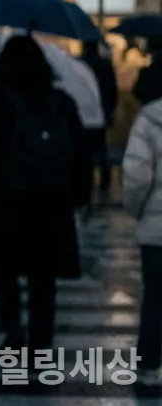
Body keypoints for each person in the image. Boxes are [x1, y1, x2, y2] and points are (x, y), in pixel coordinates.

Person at [0, 36, 90, 354]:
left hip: (6, 199)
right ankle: (42, 338)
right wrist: (79, 194)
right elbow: (79, 152)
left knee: (4, 272)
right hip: (51, 202)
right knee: (43, 278)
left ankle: (13, 329)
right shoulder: (61, 102)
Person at [121, 97, 162, 386]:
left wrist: (137, 210)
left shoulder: (151, 118)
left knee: (156, 296)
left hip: (158, 227)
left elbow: (137, 174)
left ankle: (148, 363)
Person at [81, 39, 118, 192]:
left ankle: (87, 178)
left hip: (84, 111)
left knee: (84, 148)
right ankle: (105, 179)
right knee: (100, 147)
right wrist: (110, 109)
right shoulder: (105, 64)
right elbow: (112, 89)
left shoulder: (80, 64)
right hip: (101, 111)